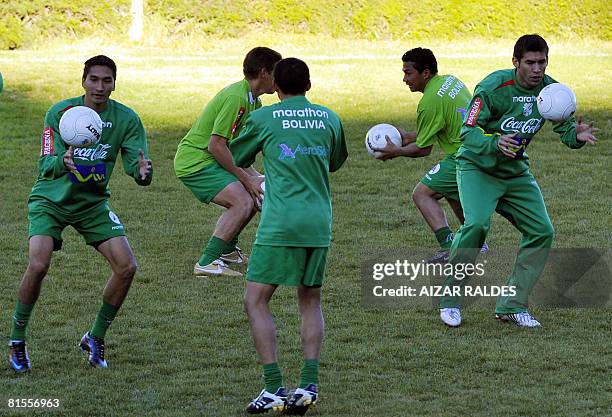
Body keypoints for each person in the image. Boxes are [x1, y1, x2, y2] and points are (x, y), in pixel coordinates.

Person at [438, 34, 599, 328]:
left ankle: (512, 305)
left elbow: (564, 128)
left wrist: (575, 136)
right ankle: (450, 298)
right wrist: (494, 142)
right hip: (477, 167)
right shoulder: (493, 87)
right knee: (475, 225)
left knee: (542, 231)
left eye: (542, 62)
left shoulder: (552, 91)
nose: (537, 69)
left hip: (514, 171)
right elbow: (467, 131)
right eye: (530, 62)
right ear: (516, 62)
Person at [8, 55, 153, 372]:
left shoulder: (127, 120)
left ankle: (96, 336)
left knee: (127, 266)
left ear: (115, 83)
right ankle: (17, 340)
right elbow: (46, 163)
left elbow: (135, 164)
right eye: (94, 79)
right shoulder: (60, 113)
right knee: (38, 263)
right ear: (83, 81)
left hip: (92, 204)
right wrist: (64, 162)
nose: (100, 87)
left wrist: (142, 173)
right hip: (51, 200)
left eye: (107, 81)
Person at [229, 58, 348, 414]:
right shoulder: (329, 118)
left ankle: (273, 389)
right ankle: (308, 385)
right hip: (319, 222)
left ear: (276, 87)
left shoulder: (264, 118)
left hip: (281, 223)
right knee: (310, 300)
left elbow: (237, 154)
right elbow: (334, 161)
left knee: (256, 300)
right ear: (309, 85)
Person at [174, 47, 282, 277]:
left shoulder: (254, 102)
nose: (279, 79)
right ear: (264, 73)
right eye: (277, 72)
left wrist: (255, 178)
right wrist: (247, 180)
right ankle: (206, 262)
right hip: (195, 162)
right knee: (242, 200)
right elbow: (216, 145)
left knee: (255, 194)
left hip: (211, 158)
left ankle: (227, 250)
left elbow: (235, 150)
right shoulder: (237, 98)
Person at [372, 48, 487, 263]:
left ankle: (449, 247)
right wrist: (406, 136)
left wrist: (396, 151)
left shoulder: (429, 102)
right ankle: (476, 245)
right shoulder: (451, 81)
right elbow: (440, 125)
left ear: (425, 73)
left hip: (465, 157)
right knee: (449, 191)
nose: (405, 79)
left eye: (408, 73)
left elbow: (425, 149)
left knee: (422, 194)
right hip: (479, 147)